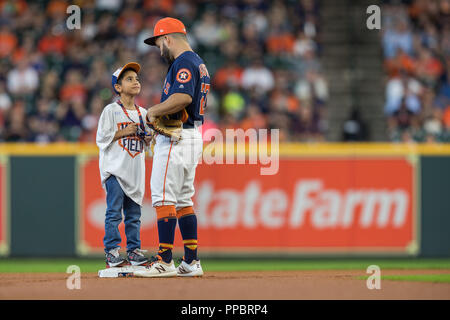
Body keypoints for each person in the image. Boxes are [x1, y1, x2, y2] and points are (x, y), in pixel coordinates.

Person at [134, 17, 210, 277]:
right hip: (190, 136)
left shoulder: (184, 61)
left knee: (163, 198)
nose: (158, 49)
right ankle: (191, 261)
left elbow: (183, 97)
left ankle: (164, 260)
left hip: (177, 138)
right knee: (183, 200)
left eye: (158, 43)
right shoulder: (197, 61)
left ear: (167, 38)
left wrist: (151, 112)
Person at [96, 62, 152, 268]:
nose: (135, 81)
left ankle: (134, 251)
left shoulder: (144, 113)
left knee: (134, 216)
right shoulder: (110, 110)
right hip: (115, 170)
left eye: (136, 78)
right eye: (129, 79)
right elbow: (101, 138)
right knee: (113, 213)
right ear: (117, 87)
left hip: (135, 171)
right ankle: (112, 252)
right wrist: (124, 131)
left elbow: (149, 144)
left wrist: (148, 137)